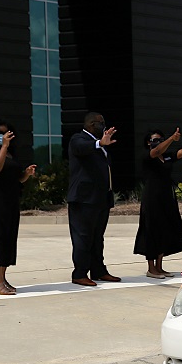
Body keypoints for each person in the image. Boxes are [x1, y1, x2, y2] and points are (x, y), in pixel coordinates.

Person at [134, 127, 182, 279]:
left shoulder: (167, 157)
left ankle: (159, 267)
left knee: (165, 229)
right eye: (154, 140)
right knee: (151, 230)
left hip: (166, 197)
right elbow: (156, 151)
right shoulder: (148, 155)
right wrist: (171, 138)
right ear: (148, 142)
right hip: (152, 198)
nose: (158, 142)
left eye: (160, 139)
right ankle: (151, 268)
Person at [0, 117, 37, 295]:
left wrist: (26, 174)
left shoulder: (11, 153)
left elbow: (16, 179)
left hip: (10, 201)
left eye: (7, 133)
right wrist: (3, 146)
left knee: (8, 238)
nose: (3, 136)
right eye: (0, 133)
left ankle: (2, 278)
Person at [67, 112, 121, 286]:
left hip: (100, 199)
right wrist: (99, 143)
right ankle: (80, 273)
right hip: (83, 200)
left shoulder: (100, 145)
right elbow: (81, 148)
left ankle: (98, 270)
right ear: (91, 124)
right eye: (100, 123)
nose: (103, 125)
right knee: (83, 237)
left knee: (98, 237)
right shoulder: (78, 139)